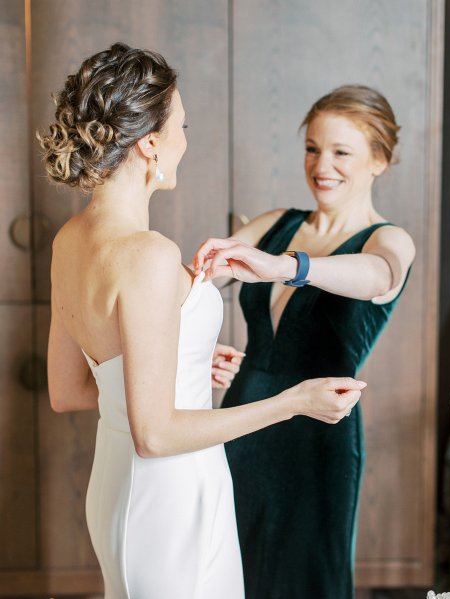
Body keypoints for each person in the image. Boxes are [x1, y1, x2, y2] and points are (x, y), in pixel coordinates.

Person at [38, 44, 365, 599]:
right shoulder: (149, 254)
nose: (185, 140)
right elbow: (157, 433)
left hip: (119, 485)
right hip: (170, 495)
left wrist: (173, 364)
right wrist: (297, 402)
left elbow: (68, 391)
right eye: (181, 125)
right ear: (149, 143)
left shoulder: (71, 240)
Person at [194, 84, 415, 599]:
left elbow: (381, 277)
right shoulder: (276, 224)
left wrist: (287, 266)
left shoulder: (388, 240)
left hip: (318, 437)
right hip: (240, 420)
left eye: (342, 152)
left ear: (378, 160)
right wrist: (193, 356)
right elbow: (189, 289)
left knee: (305, 579)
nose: (322, 165)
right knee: (229, 571)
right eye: (313, 148)